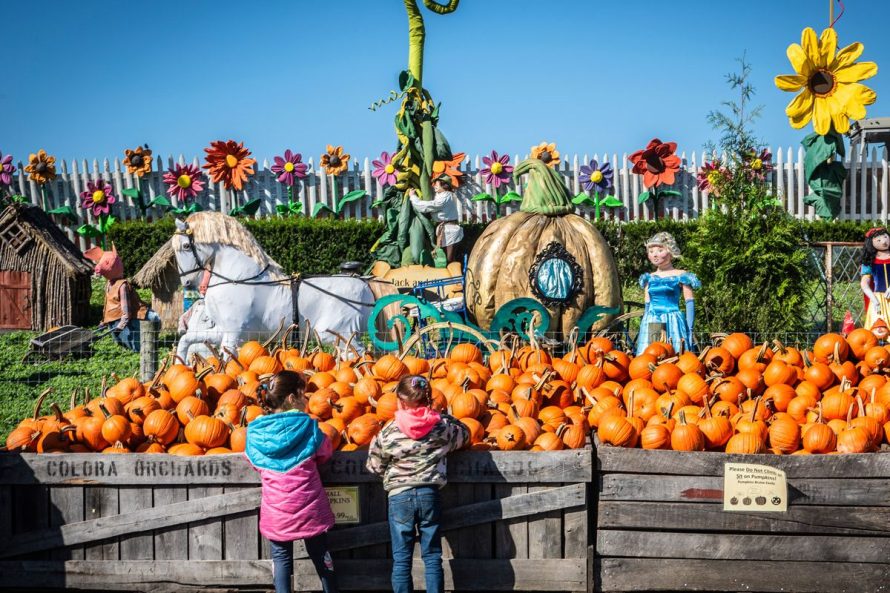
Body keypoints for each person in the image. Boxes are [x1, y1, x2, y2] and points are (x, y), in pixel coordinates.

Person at [366, 375, 470, 593]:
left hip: (399, 497)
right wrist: (450, 418)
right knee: (432, 556)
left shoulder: (389, 431)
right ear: (428, 399)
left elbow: (374, 465)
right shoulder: (441, 427)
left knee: (401, 559)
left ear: (400, 402)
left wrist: (391, 473)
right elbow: (466, 435)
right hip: (428, 494)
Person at [245, 371, 340, 593]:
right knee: (320, 554)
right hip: (309, 508)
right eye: (302, 394)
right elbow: (325, 452)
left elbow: (252, 460)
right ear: (291, 398)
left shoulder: (255, 433)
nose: (306, 400)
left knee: (281, 559)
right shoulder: (309, 427)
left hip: (277, 511)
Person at [84, 244, 159, 352]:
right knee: (122, 345)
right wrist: (104, 322)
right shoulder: (109, 284)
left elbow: (127, 312)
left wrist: (120, 326)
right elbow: (107, 305)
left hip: (130, 320)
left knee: (137, 347)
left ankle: (144, 348)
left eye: (106, 263)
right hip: (114, 321)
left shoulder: (122, 286)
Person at [636, 232, 701, 355]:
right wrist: (645, 322)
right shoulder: (649, 278)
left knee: (675, 354)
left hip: (673, 320)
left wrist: (690, 329)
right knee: (654, 355)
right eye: (651, 251)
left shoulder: (681, 275)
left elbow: (689, 302)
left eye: (660, 250)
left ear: (670, 252)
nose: (655, 255)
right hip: (653, 319)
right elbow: (647, 304)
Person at [408, 176, 464, 263]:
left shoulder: (446, 196)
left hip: (450, 230)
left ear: (444, 186)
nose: (434, 186)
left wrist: (413, 197)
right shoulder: (441, 195)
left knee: (449, 259)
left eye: (437, 184)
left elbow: (429, 206)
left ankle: (453, 275)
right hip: (445, 229)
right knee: (443, 258)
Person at [860, 227, 890, 339]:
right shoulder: (869, 262)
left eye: (886, 237)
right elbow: (864, 283)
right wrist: (873, 299)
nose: (884, 241)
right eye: (878, 240)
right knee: (877, 331)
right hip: (878, 300)